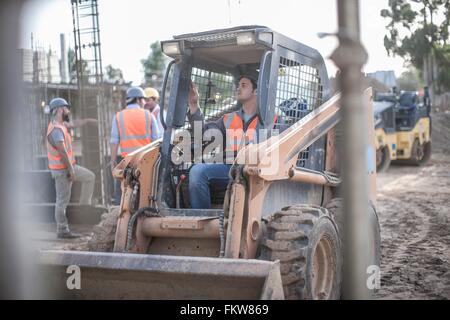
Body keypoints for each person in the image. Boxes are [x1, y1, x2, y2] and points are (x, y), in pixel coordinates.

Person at [187, 75, 266, 209]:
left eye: (244, 85)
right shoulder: (228, 119)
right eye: (238, 85)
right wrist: (194, 104)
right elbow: (204, 133)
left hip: (257, 171)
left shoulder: (271, 120)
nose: (238, 88)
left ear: (256, 91)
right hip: (229, 168)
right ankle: (201, 217)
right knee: (197, 172)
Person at [46, 97, 97, 239]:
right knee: (62, 201)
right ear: (59, 110)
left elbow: (73, 124)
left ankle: (84, 205)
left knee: (89, 177)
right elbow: (62, 152)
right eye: (66, 108)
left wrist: (88, 121)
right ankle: (62, 229)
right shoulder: (56, 130)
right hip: (62, 170)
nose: (68, 111)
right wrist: (71, 170)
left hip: (67, 167)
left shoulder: (61, 125)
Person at [110, 86, 162, 205]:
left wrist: (113, 161)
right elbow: (157, 140)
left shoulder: (119, 116)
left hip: (126, 161)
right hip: (145, 161)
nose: (144, 102)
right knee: (145, 191)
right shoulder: (149, 116)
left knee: (123, 191)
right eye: (143, 99)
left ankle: (119, 214)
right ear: (138, 100)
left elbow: (114, 141)